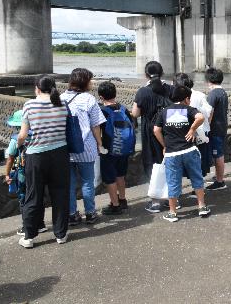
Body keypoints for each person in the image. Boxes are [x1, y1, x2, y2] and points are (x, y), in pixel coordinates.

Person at [18, 75, 70, 248]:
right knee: (60, 194)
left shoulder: (29, 105)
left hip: (37, 156)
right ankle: (61, 234)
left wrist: (20, 145)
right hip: (60, 154)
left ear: (37, 88)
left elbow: (23, 135)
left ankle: (29, 237)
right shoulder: (63, 104)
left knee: (33, 195)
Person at [153, 86, 211, 222]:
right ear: (186, 99)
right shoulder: (189, 110)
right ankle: (202, 206)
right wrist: (192, 129)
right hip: (189, 150)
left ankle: (173, 213)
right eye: (189, 98)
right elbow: (201, 117)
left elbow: (156, 130)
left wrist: (165, 146)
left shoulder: (164, 112)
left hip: (172, 153)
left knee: (172, 181)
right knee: (197, 178)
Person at [60, 68, 106, 226]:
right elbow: (95, 126)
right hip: (86, 147)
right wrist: (100, 144)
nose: (92, 82)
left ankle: (72, 215)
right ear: (84, 81)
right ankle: (90, 213)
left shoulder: (60, 98)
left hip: (66, 149)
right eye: (90, 79)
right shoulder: (89, 99)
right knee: (87, 182)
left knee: (69, 184)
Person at [132, 61, 174, 214]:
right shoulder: (170, 88)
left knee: (152, 164)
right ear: (162, 73)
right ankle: (172, 199)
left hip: (150, 132)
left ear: (146, 74)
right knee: (170, 163)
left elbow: (135, 114)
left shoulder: (143, 91)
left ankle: (156, 202)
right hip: (169, 132)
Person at [4, 110, 47, 237]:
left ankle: (26, 227)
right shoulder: (38, 136)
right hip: (39, 171)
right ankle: (40, 224)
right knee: (38, 197)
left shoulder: (15, 139)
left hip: (23, 174)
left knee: (24, 199)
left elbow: (10, 158)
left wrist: (7, 174)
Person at [98, 81, 134, 215]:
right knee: (120, 175)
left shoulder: (102, 111)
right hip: (124, 149)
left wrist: (99, 145)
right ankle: (123, 200)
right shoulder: (124, 108)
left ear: (101, 96)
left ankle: (115, 205)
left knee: (109, 178)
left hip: (109, 150)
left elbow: (97, 130)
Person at [173, 73, 213, 183]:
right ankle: (198, 189)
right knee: (199, 163)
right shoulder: (199, 95)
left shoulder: (175, 97)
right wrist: (206, 125)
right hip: (201, 134)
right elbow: (209, 112)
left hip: (183, 136)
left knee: (183, 165)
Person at [205, 68, 229, 191]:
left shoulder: (213, 94)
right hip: (222, 127)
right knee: (219, 154)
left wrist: (205, 128)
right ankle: (219, 177)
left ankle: (220, 181)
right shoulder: (223, 92)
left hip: (215, 129)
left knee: (217, 154)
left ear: (209, 80)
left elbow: (209, 113)